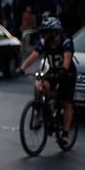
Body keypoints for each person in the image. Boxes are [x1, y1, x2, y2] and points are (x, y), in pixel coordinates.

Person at [18, 16, 75, 148]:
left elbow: (67, 60)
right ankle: (43, 108)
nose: (44, 34)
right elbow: (34, 55)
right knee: (41, 84)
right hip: (52, 71)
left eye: (47, 31)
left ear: (55, 31)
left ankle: (65, 134)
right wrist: (22, 68)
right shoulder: (44, 42)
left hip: (67, 74)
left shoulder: (66, 41)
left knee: (67, 102)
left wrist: (63, 70)